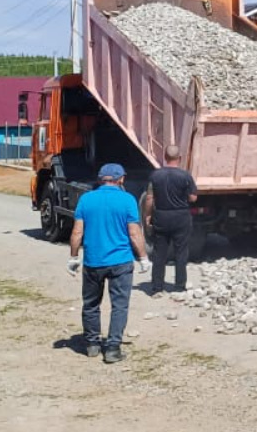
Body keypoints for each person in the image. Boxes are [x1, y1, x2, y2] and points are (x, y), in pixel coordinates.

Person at [69, 163, 150, 364]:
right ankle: (113, 348)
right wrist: (143, 257)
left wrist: (73, 257)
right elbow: (134, 232)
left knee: (91, 304)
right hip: (120, 262)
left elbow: (77, 231)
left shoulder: (86, 199)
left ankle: (92, 344)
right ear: (121, 179)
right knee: (119, 306)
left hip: (93, 261)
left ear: (100, 179)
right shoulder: (128, 200)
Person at [142, 144, 198, 293]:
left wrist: (148, 215)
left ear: (165, 158)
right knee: (181, 252)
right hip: (181, 217)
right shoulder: (185, 176)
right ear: (179, 158)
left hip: (161, 216)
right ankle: (180, 286)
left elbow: (149, 198)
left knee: (159, 253)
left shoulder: (155, 175)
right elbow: (193, 198)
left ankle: (157, 287)